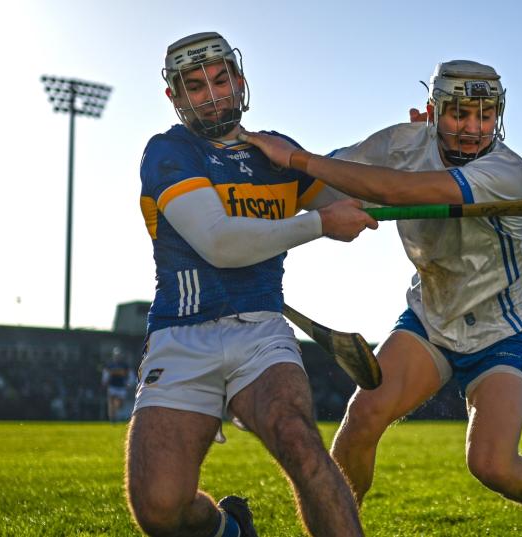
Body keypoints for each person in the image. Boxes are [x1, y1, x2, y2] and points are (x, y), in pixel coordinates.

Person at [240, 60, 522, 536]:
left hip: (501, 332)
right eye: (458, 114)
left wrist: (298, 159)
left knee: (490, 463)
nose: (472, 129)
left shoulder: (505, 171)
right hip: (430, 320)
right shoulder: (401, 144)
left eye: (485, 116)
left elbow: (396, 189)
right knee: (362, 419)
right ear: (433, 110)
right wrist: (243, 195)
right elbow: (323, 187)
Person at [127, 31, 375, 537]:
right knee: (160, 509)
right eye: (195, 87)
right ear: (174, 97)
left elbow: (356, 195)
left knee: (299, 439)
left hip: (261, 332)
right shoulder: (168, 152)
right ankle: (229, 530)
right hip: (182, 333)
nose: (213, 95)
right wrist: (321, 224)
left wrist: (415, 141)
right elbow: (220, 243)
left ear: (240, 81)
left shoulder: (276, 153)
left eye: (221, 80)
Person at [101, 347, 133, 422]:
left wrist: (129, 383)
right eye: (116, 355)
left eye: (118, 355)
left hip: (121, 387)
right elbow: (106, 374)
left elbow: (130, 375)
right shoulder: (110, 365)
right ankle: (112, 417)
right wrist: (104, 382)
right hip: (112, 386)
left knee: (120, 404)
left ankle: (114, 413)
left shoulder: (124, 365)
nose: (117, 357)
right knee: (111, 402)